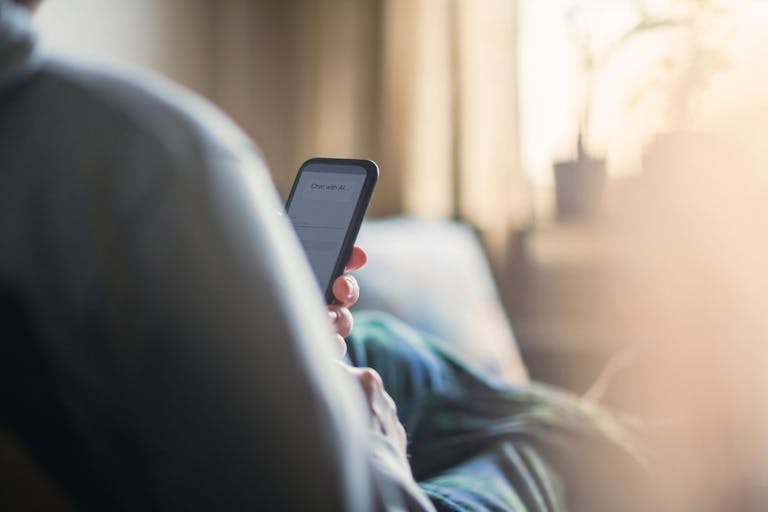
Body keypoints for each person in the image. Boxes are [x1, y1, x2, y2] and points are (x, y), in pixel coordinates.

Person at [0, 0, 653, 510]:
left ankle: (620, 422)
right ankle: (635, 437)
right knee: (533, 450)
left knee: (383, 347)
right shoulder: (146, 158)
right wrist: (375, 443)